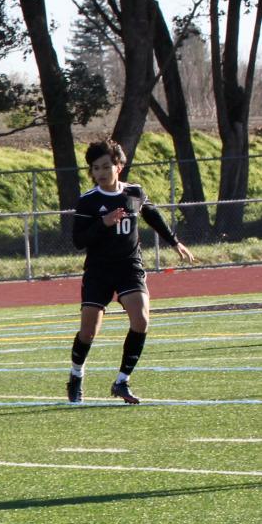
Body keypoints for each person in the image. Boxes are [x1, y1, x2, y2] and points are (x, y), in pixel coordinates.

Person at [66, 139, 194, 404]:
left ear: (119, 166)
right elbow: (79, 241)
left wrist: (174, 242)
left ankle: (122, 381)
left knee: (141, 321)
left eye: (105, 166)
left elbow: (152, 216)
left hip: (129, 267)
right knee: (88, 332)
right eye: (95, 168)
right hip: (99, 270)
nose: (100, 172)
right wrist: (104, 222)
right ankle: (76, 374)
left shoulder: (133, 193)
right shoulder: (89, 202)